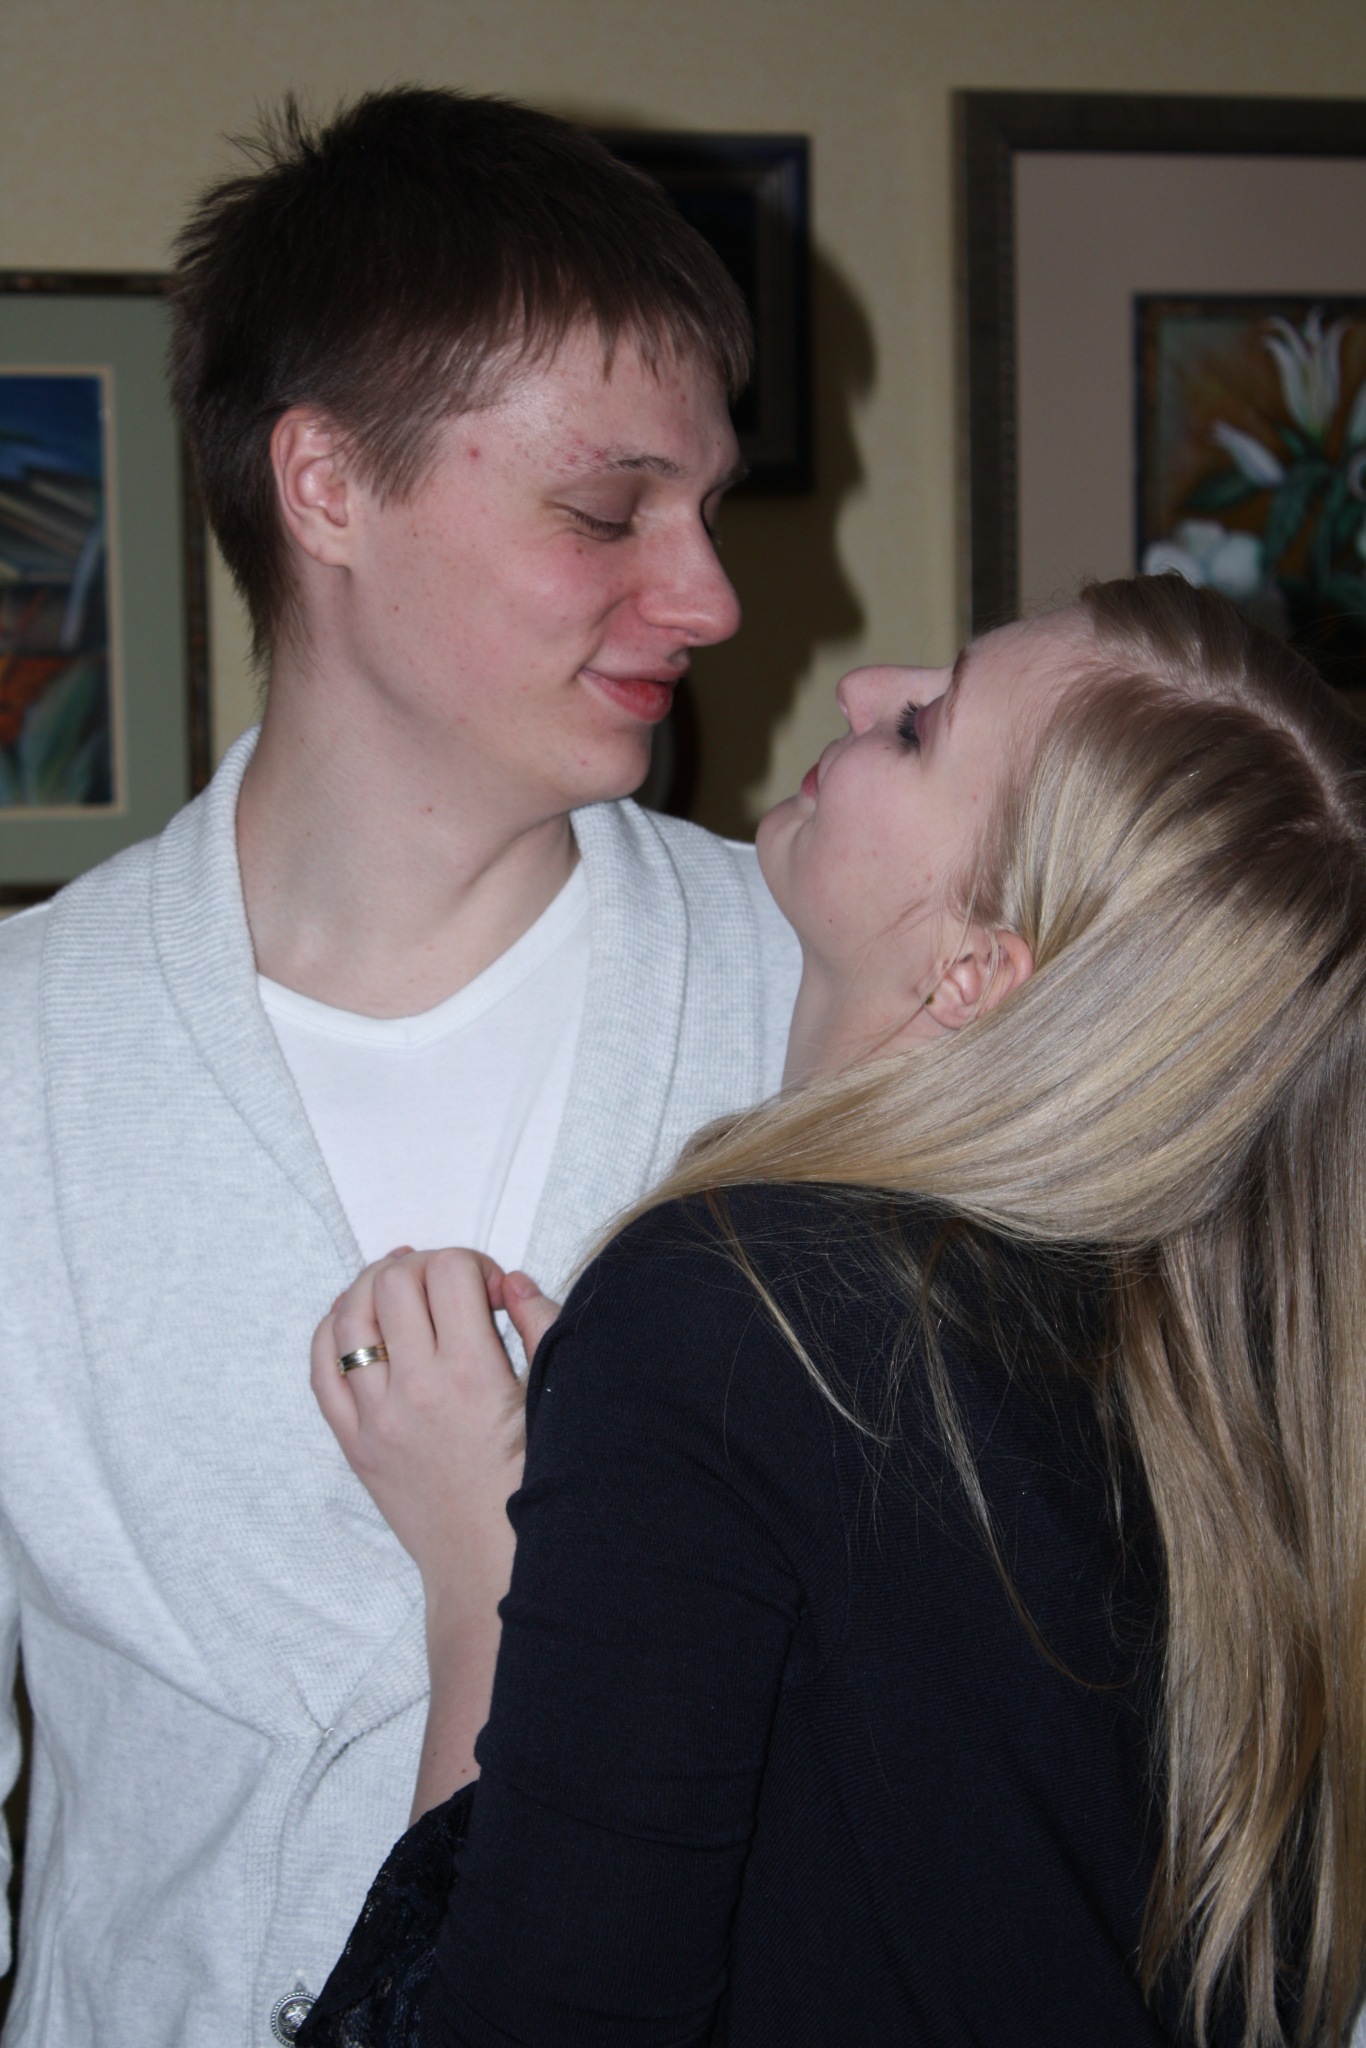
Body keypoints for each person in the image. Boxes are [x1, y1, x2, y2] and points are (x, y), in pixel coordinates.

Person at [0, 89, 800, 2048]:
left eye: (707, 508)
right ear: (329, 486)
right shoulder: (22, 1062)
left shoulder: (816, 1003)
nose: (708, 597)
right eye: (607, 511)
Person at [303, 576, 1366, 2047]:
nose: (867, 688)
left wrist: (481, 1577)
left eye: (924, 730)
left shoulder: (730, 1312)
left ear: (976, 972)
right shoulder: (1216, 1366)